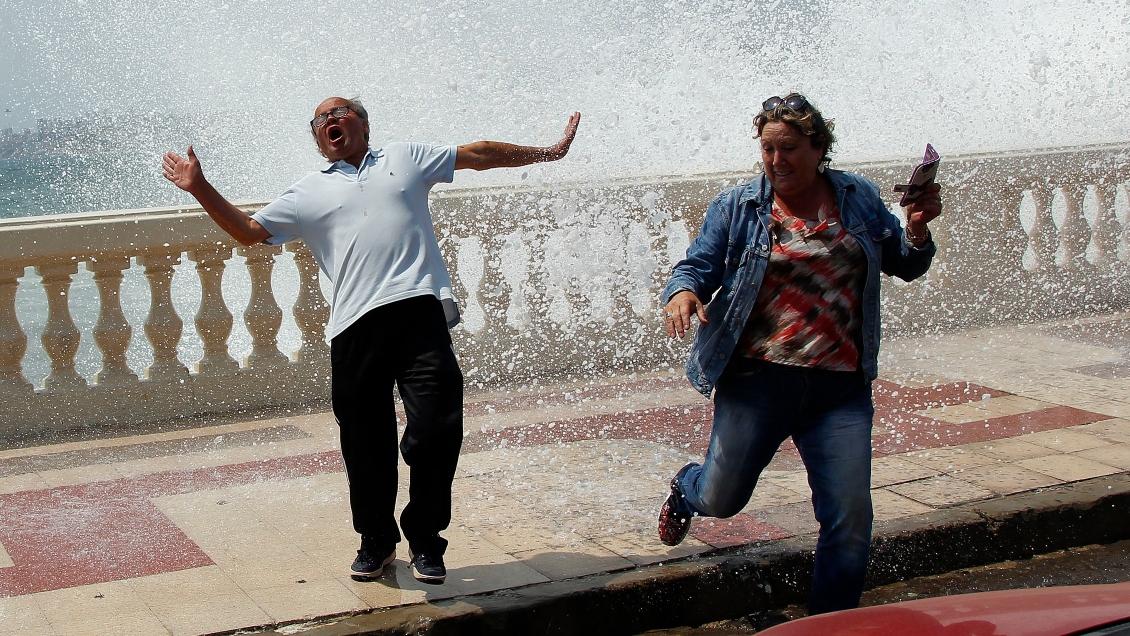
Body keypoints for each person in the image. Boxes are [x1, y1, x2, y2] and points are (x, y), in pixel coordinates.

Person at [163, 97, 580, 585]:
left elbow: (480, 153)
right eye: (320, 121)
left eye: (339, 113)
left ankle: (425, 539)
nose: (330, 122)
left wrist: (550, 152)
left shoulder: (405, 158)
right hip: (354, 328)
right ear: (317, 138)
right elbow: (249, 231)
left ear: (362, 123)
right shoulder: (306, 193)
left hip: (420, 312)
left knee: (438, 429)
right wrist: (199, 187)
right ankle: (377, 541)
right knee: (365, 446)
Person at [656, 94, 941, 614]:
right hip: (756, 383)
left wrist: (918, 229)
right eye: (767, 148)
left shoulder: (859, 198)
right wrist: (682, 292)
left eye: (788, 148)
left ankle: (831, 626)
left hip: (840, 390)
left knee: (850, 519)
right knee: (721, 499)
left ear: (819, 147)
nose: (776, 161)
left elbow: (904, 262)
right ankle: (685, 486)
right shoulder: (737, 206)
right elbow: (697, 265)